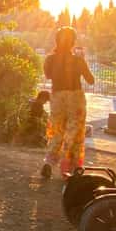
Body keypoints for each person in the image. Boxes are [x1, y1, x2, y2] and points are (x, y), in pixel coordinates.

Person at [42, 26, 94, 179]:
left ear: (56, 41)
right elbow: (91, 80)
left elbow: (48, 75)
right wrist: (82, 61)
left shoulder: (50, 59)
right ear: (73, 42)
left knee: (57, 132)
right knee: (74, 132)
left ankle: (49, 163)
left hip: (57, 97)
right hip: (75, 98)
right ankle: (69, 168)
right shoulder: (78, 60)